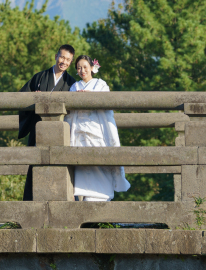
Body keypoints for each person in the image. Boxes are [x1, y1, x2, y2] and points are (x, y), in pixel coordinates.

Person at [65, 55, 131, 202]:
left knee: (100, 162)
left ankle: (103, 197)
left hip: (97, 130)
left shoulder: (100, 85)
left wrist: (90, 97)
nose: (82, 70)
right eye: (79, 68)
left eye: (85, 67)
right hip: (79, 132)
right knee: (84, 167)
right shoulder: (74, 87)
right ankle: (87, 197)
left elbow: (107, 102)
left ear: (92, 68)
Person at [18, 44, 77, 201]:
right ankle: (31, 202)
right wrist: (33, 99)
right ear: (56, 56)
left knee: (60, 166)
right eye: (62, 57)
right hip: (39, 130)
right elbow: (22, 97)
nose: (64, 62)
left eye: (68, 60)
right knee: (35, 164)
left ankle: (59, 202)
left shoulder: (71, 83)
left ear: (71, 62)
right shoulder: (39, 77)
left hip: (60, 134)